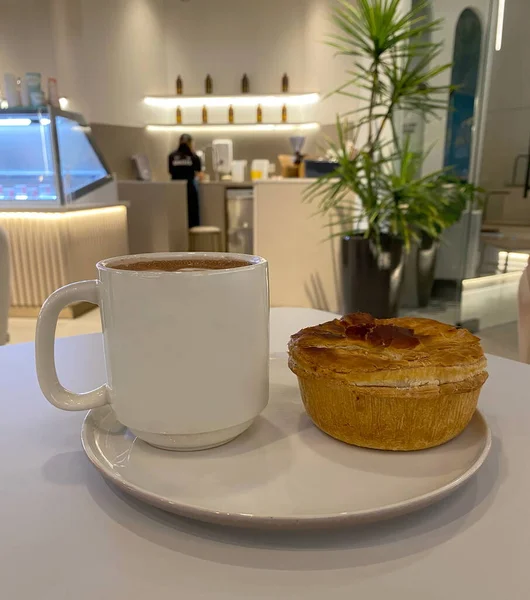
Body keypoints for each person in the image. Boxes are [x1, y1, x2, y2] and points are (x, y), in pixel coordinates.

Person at [168, 134, 202, 228]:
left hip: (175, 190)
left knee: (177, 216)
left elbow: (170, 172)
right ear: (190, 143)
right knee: (192, 218)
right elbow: (199, 174)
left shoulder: (171, 156)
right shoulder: (194, 157)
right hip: (190, 190)